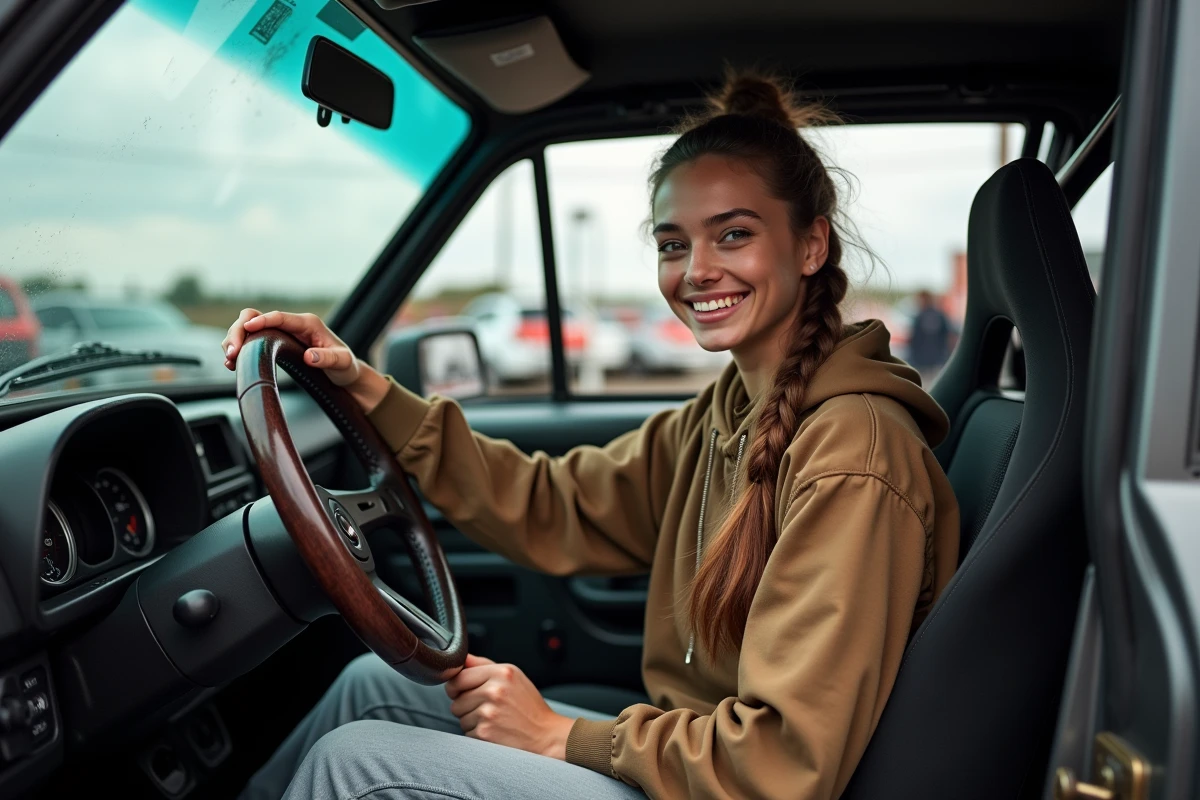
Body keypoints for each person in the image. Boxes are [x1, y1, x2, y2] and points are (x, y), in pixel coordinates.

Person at [223, 71, 960, 800]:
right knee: (369, 688)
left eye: (733, 235)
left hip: (736, 787)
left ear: (810, 246)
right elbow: (557, 504)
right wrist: (366, 388)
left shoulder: (855, 458)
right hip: (691, 759)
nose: (698, 272)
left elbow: (783, 762)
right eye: (673, 245)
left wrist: (557, 736)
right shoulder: (729, 410)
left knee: (358, 762)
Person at [906, 289, 954, 387]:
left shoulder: (919, 317)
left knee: (923, 389)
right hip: (938, 361)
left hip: (920, 362)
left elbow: (912, 340)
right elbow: (949, 337)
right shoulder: (941, 316)